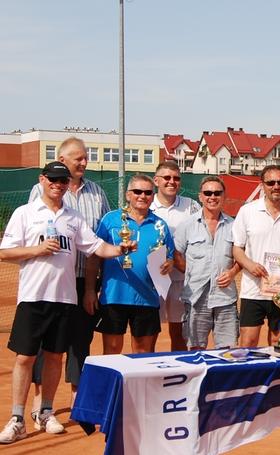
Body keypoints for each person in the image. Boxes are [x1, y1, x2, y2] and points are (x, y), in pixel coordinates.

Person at [0, 162, 132, 444]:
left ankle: (46, 411)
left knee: (54, 356)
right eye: (53, 179)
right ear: (42, 180)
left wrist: (120, 249)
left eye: (62, 180)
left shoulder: (73, 217)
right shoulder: (25, 213)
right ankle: (17, 418)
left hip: (64, 298)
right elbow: (6, 252)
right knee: (24, 358)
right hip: (33, 297)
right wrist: (37, 249)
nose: (58, 185)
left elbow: (95, 246)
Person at [27, 137, 110, 421]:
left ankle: (78, 399)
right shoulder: (39, 190)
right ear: (62, 160)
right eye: (79, 158)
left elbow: (97, 241)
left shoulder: (97, 192)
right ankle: (40, 401)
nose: (85, 162)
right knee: (45, 342)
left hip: (84, 280)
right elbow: (35, 233)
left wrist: (90, 288)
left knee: (80, 339)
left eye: (86, 157)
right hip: (50, 282)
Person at [84, 174, 175, 355]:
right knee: (112, 350)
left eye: (148, 192)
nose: (142, 196)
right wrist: (90, 290)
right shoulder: (110, 220)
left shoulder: (160, 225)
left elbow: (170, 256)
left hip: (146, 298)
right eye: (137, 191)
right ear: (128, 195)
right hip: (114, 295)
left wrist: (169, 264)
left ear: (153, 196)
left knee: (142, 352)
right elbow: (94, 256)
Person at [232, 165, 280, 347]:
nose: (276, 186)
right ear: (262, 185)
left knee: (278, 341)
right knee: (248, 340)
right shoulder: (247, 211)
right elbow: (237, 249)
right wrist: (250, 265)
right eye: (271, 182)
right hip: (253, 290)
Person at [174, 176, 240, 350]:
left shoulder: (234, 225)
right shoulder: (187, 225)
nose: (212, 197)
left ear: (224, 196)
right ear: (200, 196)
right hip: (196, 297)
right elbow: (176, 254)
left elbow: (242, 255)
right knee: (196, 349)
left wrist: (232, 273)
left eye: (217, 193)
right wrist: (191, 272)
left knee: (228, 350)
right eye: (208, 193)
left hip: (225, 297)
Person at [150, 161, 200, 351]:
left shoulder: (191, 206)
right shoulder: (146, 203)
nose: (172, 182)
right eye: (167, 177)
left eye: (176, 178)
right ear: (156, 180)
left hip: (181, 279)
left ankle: (179, 368)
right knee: (149, 333)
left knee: (179, 333)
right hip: (153, 281)